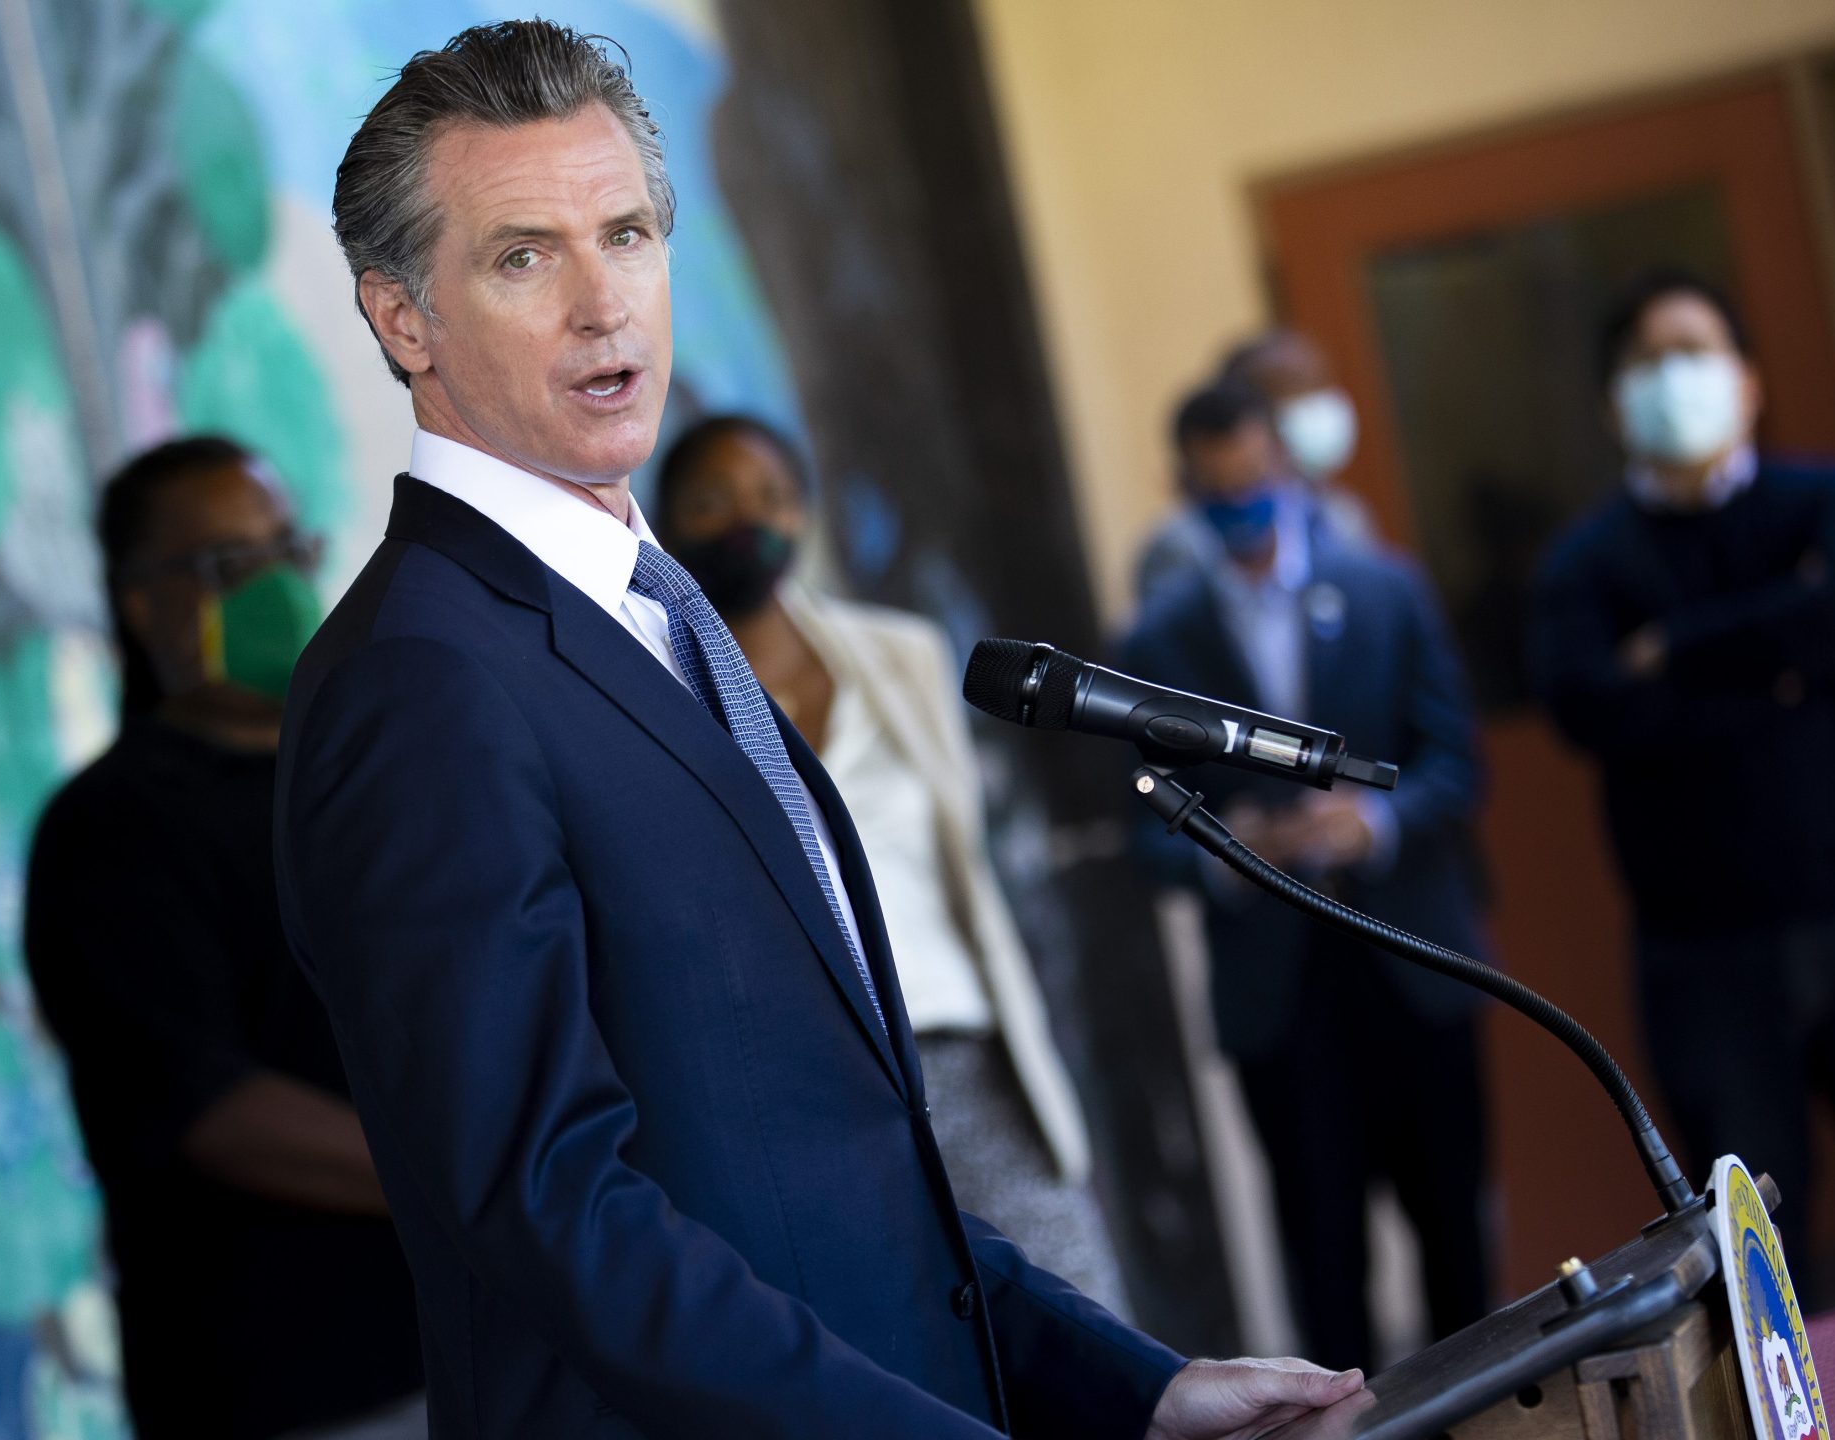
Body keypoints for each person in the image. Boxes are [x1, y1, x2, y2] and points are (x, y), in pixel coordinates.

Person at [277, 20, 1363, 1440]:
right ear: (403, 318)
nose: (605, 304)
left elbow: (832, 1180)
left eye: (626, 233)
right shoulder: (420, 681)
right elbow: (554, 1213)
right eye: (524, 256)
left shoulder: (664, 618)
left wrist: (1135, 1385)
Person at [1529, 269, 1835, 1287]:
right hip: (1706, 963)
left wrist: (1671, 652)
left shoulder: (1827, 501)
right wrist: (1773, 651)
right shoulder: (1584, 563)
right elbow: (1590, 704)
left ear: (1745, 383)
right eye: (1651, 362)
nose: (1676, 379)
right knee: (1755, 1269)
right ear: (1615, 403)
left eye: (1696, 352)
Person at [650, 412, 1127, 1313]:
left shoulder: (903, 656)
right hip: (811, 1084)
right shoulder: (665, 692)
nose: (746, 520)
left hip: (968, 1053)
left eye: (771, 497)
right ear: (667, 525)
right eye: (713, 501)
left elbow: (967, 869)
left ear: (807, 512)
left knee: (1085, 1321)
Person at [25, 436, 423, 1440]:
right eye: (225, 567)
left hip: (486, 1347)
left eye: (285, 550)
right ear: (138, 601)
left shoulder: (373, 769)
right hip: (297, 1389)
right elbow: (209, 1109)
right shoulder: (111, 830)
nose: (274, 586)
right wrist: (472, 1173)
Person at [1121, 379, 1493, 1375]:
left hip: (1410, 962)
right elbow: (1144, 836)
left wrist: (1373, 820)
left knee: (1457, 1235)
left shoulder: (1384, 590)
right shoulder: (1158, 645)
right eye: (1218, 497)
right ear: (1186, 492)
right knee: (1324, 1266)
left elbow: (1455, 763)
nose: (1243, 514)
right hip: (1280, 999)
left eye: (1255, 488)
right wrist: (1237, 846)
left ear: (1284, 470)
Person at [1132, 329, 1375, 609]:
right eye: (1295, 389)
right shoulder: (1179, 548)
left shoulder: (1342, 513)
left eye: (1320, 386)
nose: (1316, 404)